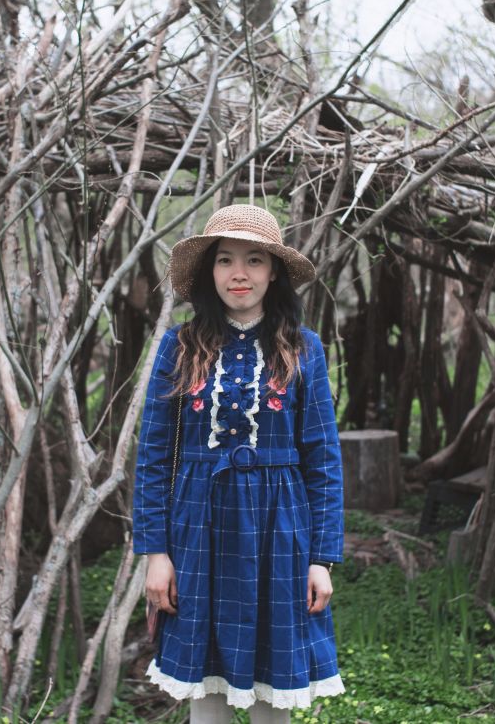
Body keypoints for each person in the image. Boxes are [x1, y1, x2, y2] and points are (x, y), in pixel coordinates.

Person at [132, 204, 345, 723]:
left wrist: (322, 558)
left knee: (275, 695)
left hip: (281, 532)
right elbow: (153, 456)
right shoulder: (178, 347)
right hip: (199, 530)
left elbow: (323, 460)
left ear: (274, 272)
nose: (239, 274)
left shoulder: (303, 349)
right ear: (210, 271)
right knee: (207, 696)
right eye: (225, 260)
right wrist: (155, 553)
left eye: (254, 260)